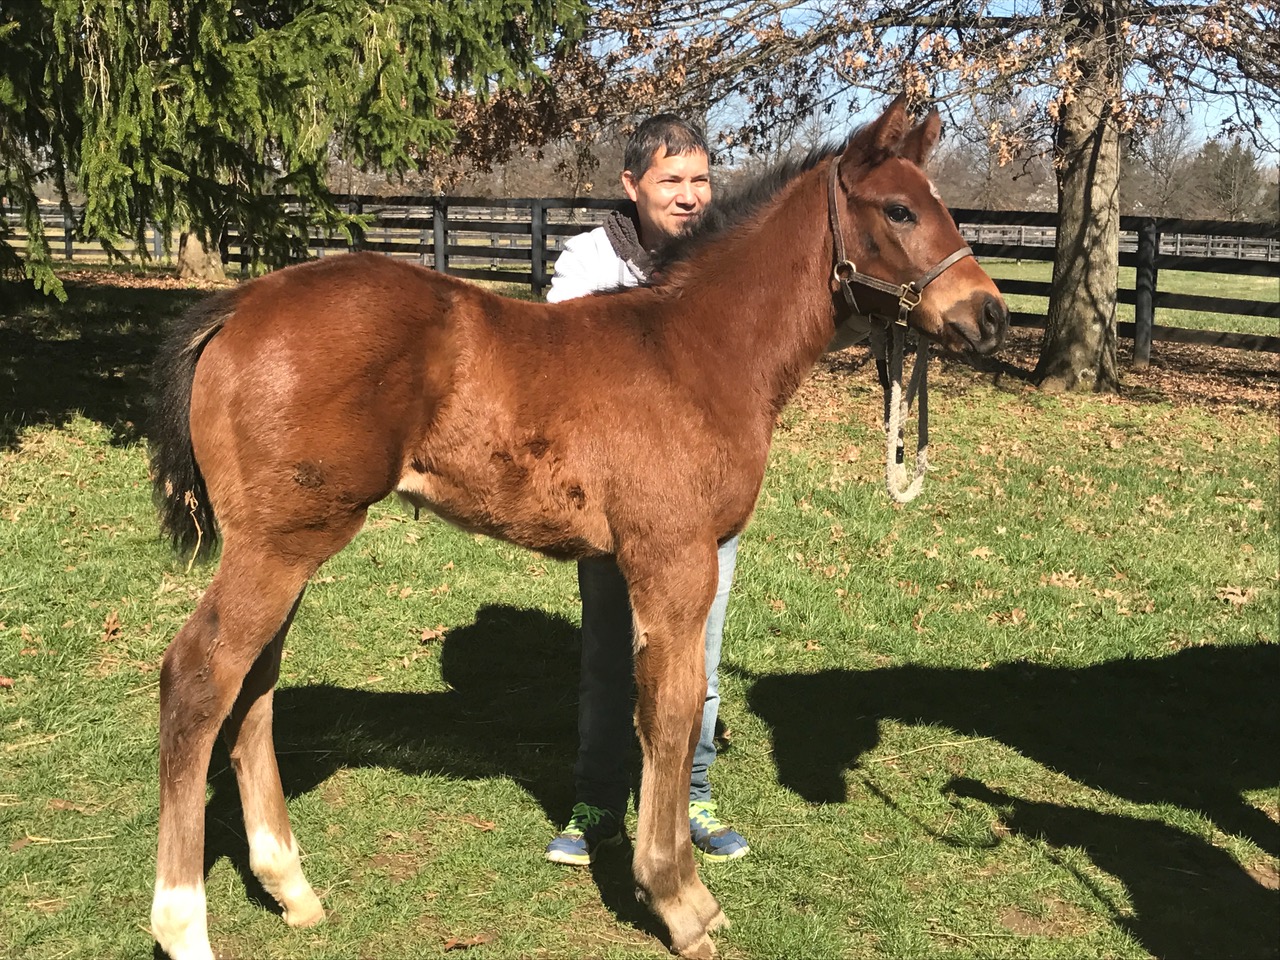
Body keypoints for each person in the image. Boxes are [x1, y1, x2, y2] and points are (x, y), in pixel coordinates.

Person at [542, 114, 749, 866]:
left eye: (700, 179)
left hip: (701, 495)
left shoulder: (733, 260)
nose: (690, 196)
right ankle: (597, 799)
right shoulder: (590, 259)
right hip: (616, 495)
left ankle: (691, 793)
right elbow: (558, 359)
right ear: (632, 186)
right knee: (606, 656)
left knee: (702, 656)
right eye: (671, 180)